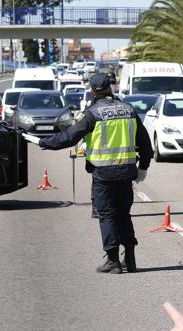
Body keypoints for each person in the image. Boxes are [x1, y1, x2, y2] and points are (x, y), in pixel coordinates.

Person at [32, 73, 153, 274]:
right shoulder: (128, 110)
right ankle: (130, 259)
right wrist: (144, 167)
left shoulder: (93, 113)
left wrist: (44, 142)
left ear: (92, 90)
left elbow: (69, 137)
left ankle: (113, 260)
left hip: (104, 174)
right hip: (126, 172)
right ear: (111, 88)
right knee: (124, 215)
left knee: (107, 215)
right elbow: (145, 143)